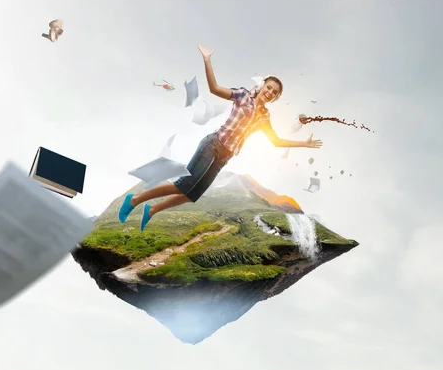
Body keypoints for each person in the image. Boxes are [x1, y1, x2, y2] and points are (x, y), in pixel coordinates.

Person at [119, 43, 323, 231]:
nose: (270, 92)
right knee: (184, 185)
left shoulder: (264, 117)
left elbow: (276, 141)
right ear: (262, 86)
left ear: (276, 98)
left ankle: (152, 210)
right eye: (268, 87)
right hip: (213, 145)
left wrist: (303, 144)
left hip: (225, 156)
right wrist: (207, 60)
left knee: (192, 195)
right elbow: (214, 89)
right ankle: (135, 200)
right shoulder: (244, 95)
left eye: (275, 92)